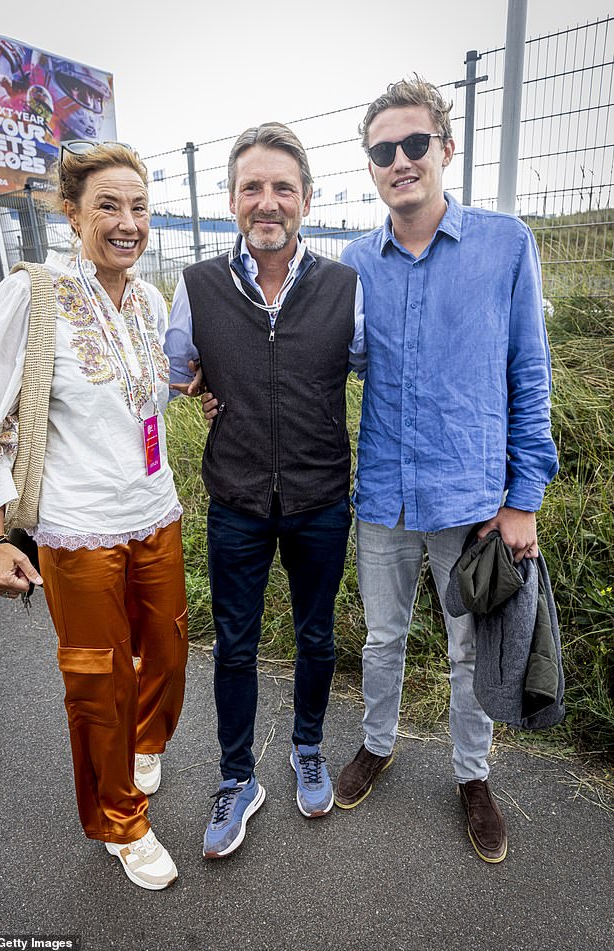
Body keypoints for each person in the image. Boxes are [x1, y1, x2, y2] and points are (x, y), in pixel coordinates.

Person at [333, 76, 559, 864]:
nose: (400, 160)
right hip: (383, 499)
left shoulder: (505, 245)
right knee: (383, 637)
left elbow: (531, 375)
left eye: (414, 144)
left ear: (445, 148)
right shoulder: (355, 262)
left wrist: (523, 498)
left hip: (472, 500)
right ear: (371, 166)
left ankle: (473, 775)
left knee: (472, 651)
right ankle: (378, 743)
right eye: (383, 151)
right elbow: (328, 363)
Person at [0, 142, 189, 890]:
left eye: (138, 206)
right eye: (108, 205)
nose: (127, 221)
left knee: (166, 654)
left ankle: (139, 746)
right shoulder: (31, 296)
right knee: (98, 677)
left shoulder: (150, 300)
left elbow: (147, 402)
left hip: (155, 512)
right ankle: (119, 820)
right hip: (78, 531)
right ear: (72, 214)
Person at [165, 122, 365, 858]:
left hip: (319, 500)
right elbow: (172, 372)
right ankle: (236, 777)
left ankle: (307, 745)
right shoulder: (196, 286)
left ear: (306, 200)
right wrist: (199, 390)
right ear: (232, 199)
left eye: (283, 186)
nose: (267, 201)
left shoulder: (347, 286)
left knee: (316, 636)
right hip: (237, 503)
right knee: (236, 647)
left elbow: (380, 372)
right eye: (253, 186)